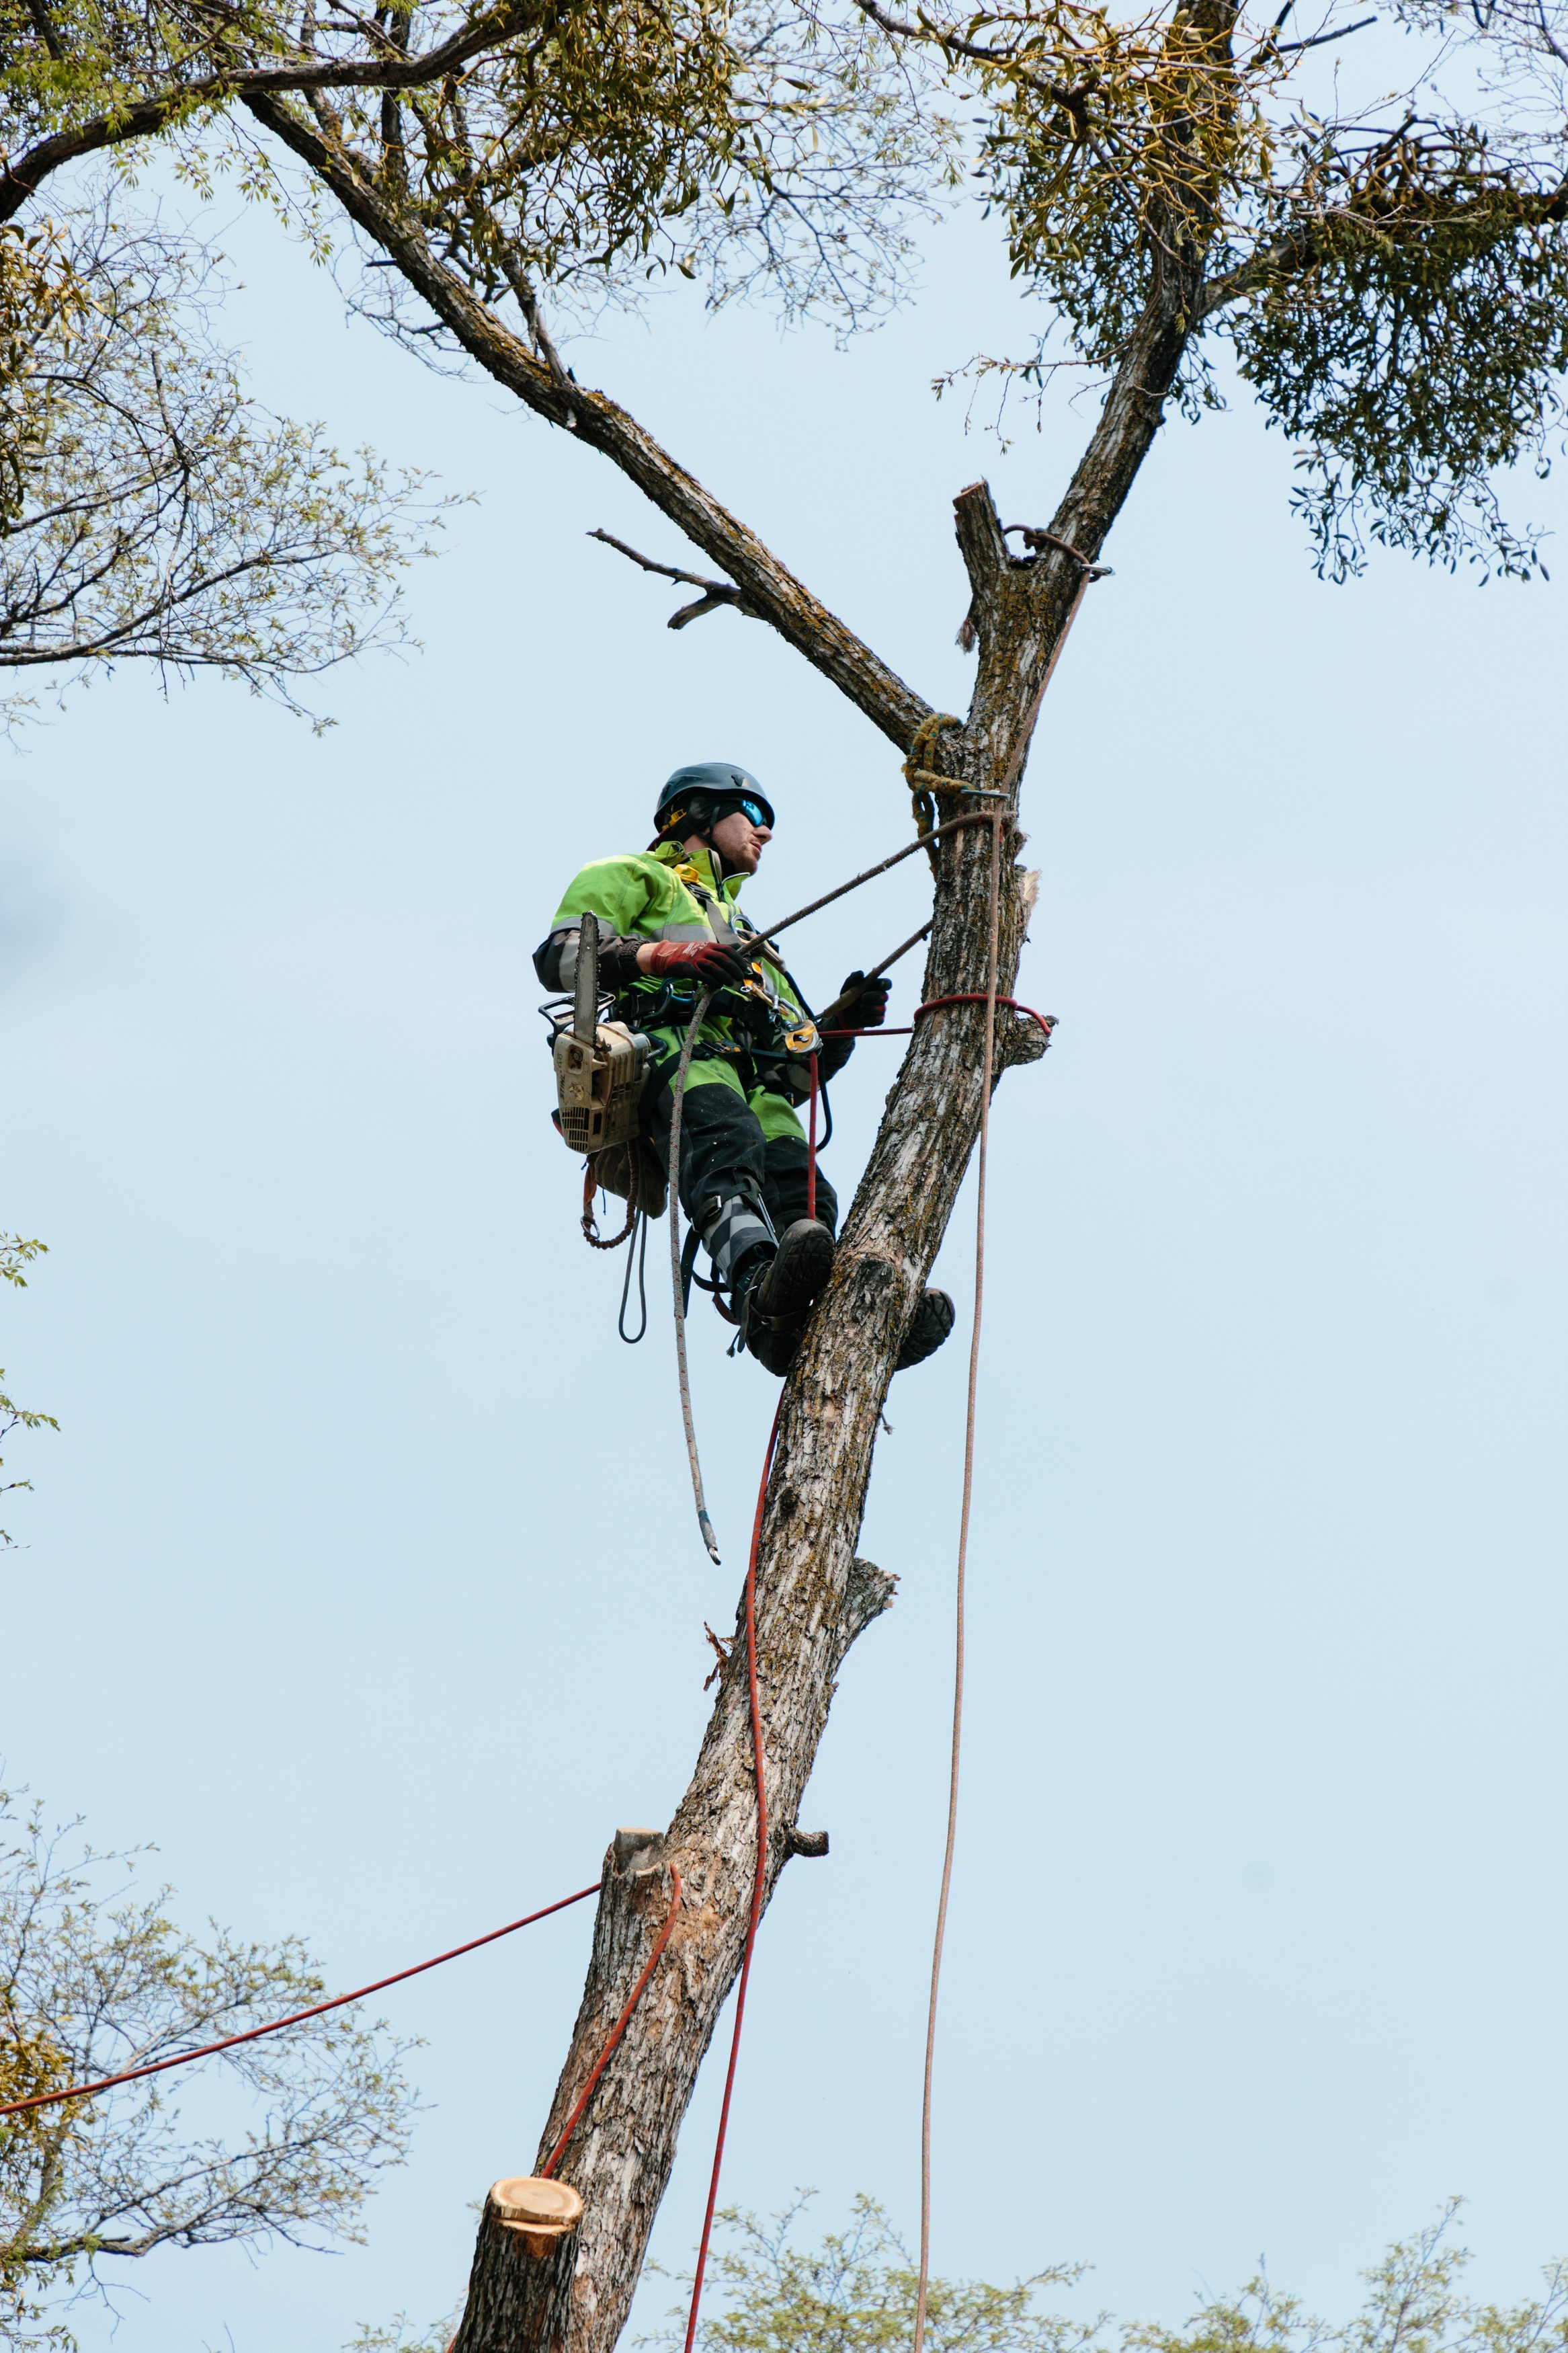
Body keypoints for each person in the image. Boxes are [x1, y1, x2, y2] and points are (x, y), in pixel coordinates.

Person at [534, 760, 955, 1377]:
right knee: (724, 1146)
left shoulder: (748, 937)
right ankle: (759, 1292)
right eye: (754, 815)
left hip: (757, 1082)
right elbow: (561, 958)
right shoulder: (631, 874)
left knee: (805, 1191)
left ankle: (841, 1317)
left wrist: (842, 1026)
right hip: (678, 1051)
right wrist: (667, 955)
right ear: (697, 814)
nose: (765, 833)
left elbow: (800, 1072)